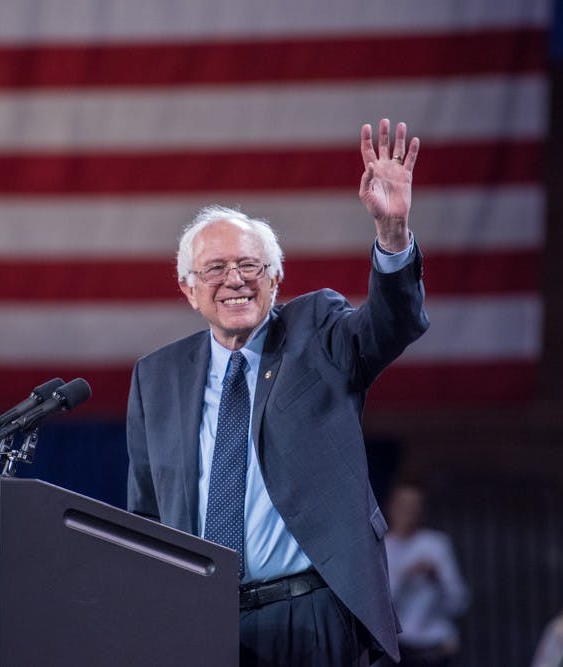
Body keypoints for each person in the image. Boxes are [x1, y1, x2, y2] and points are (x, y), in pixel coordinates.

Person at [126, 119, 429, 666]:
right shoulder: (157, 378)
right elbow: (146, 517)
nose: (235, 279)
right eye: (215, 268)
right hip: (203, 625)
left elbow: (391, 324)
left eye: (250, 265)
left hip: (313, 614)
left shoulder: (317, 330)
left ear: (275, 278)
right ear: (188, 289)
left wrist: (392, 234)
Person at [381, 483, 469, 667]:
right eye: (404, 506)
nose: (409, 513)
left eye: (415, 507)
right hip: (396, 647)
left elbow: (459, 602)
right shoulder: (382, 548)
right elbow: (381, 606)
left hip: (434, 645)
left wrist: (438, 579)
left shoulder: (436, 544)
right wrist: (404, 577)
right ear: (391, 508)